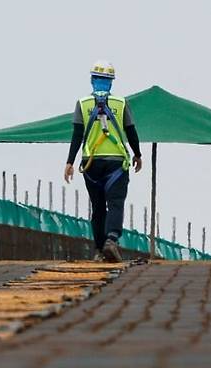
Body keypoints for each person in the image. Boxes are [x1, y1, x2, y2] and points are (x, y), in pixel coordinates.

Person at [64, 60, 143, 262]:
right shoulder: (120, 103)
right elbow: (131, 131)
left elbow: (77, 135)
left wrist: (70, 162)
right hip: (116, 162)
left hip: (91, 163)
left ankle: (99, 250)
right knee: (115, 203)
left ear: (92, 80)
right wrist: (138, 154)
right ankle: (112, 240)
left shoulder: (83, 104)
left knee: (98, 207)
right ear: (111, 82)